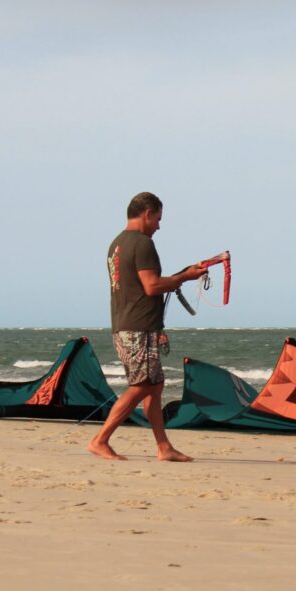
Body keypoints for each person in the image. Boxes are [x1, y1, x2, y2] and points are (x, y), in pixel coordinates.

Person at [88, 192, 207, 461]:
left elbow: (140, 286)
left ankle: (163, 447)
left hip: (128, 324)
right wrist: (185, 277)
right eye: (158, 219)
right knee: (142, 385)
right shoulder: (143, 244)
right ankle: (100, 440)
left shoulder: (117, 244)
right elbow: (151, 286)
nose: (159, 226)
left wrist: (182, 275)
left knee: (155, 385)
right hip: (137, 328)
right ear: (147, 214)